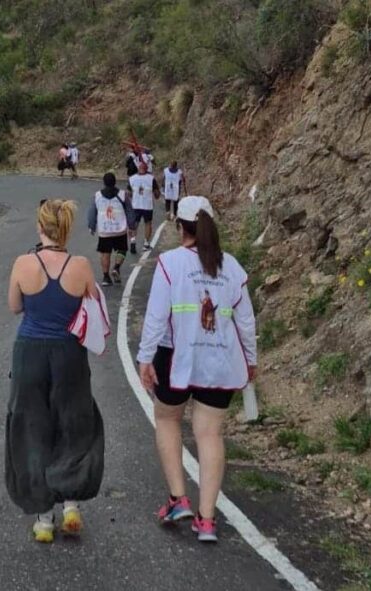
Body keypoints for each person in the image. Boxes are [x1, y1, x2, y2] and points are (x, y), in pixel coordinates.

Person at [136, 196, 257, 543]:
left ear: (180, 228)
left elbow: (157, 316)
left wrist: (145, 358)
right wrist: (250, 361)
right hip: (220, 361)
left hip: (174, 357)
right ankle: (206, 520)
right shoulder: (232, 266)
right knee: (210, 434)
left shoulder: (169, 263)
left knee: (168, 419)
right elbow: (245, 321)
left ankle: (178, 499)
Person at [6, 199, 105, 544]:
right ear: (65, 229)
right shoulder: (80, 265)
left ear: (40, 228)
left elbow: (15, 306)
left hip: (30, 352)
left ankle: (44, 519)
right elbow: (93, 303)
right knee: (74, 423)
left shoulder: (22, 263)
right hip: (69, 355)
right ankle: (72, 504)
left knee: (32, 428)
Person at [88, 172, 133, 286]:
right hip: (119, 229)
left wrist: (91, 226)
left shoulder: (97, 196)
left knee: (105, 253)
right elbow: (129, 211)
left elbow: (92, 212)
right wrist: (132, 225)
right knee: (122, 250)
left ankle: (106, 277)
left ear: (104, 182)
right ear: (115, 182)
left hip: (104, 230)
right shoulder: (123, 195)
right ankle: (116, 268)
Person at [127, 161, 160, 254]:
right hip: (147, 205)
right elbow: (157, 193)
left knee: (135, 224)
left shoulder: (132, 178)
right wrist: (157, 196)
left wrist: (134, 197)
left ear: (138, 168)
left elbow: (129, 193)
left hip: (136, 205)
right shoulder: (151, 178)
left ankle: (133, 241)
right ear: (147, 169)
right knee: (148, 224)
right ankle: (146, 244)